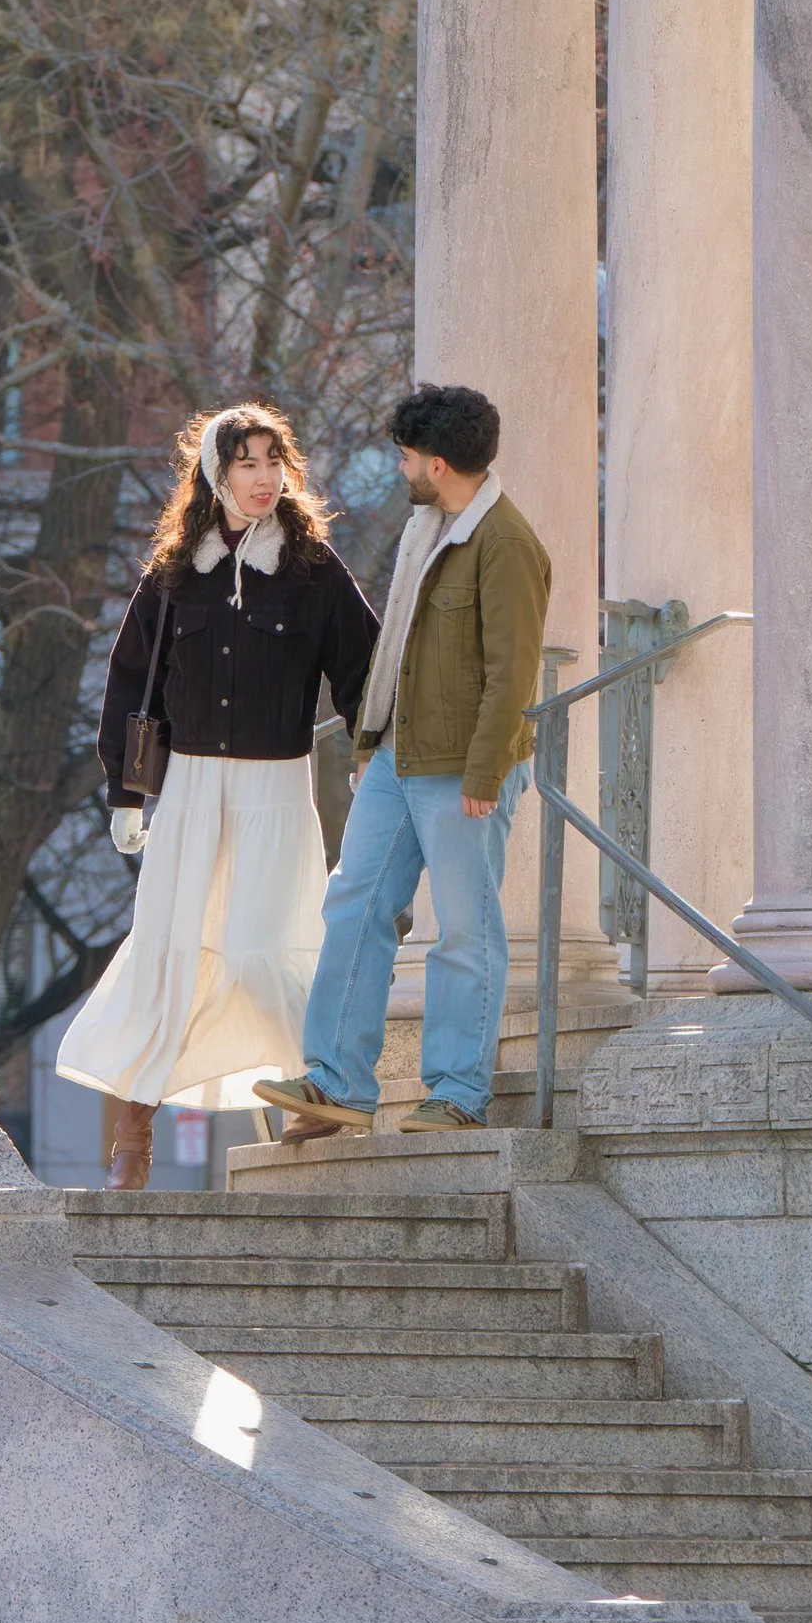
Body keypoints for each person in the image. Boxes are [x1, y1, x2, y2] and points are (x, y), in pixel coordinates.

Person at [59, 403, 380, 1191]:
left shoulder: (314, 570)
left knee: (272, 941)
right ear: (215, 472)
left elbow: (366, 670)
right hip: (192, 790)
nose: (264, 478)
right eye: (246, 462)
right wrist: (125, 794)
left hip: (277, 788)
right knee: (171, 947)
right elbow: (131, 685)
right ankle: (133, 1132)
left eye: (274, 461)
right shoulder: (173, 574)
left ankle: (315, 1086)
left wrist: (376, 754)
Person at [262, 382, 550, 1142]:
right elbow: (397, 650)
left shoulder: (507, 545)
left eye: (409, 456)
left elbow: (512, 671)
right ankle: (334, 1082)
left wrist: (487, 773)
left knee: (464, 930)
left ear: (442, 463)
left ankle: (457, 1092)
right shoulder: (429, 529)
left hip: (464, 768)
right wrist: (368, 744)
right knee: (353, 905)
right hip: (397, 758)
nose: (401, 467)